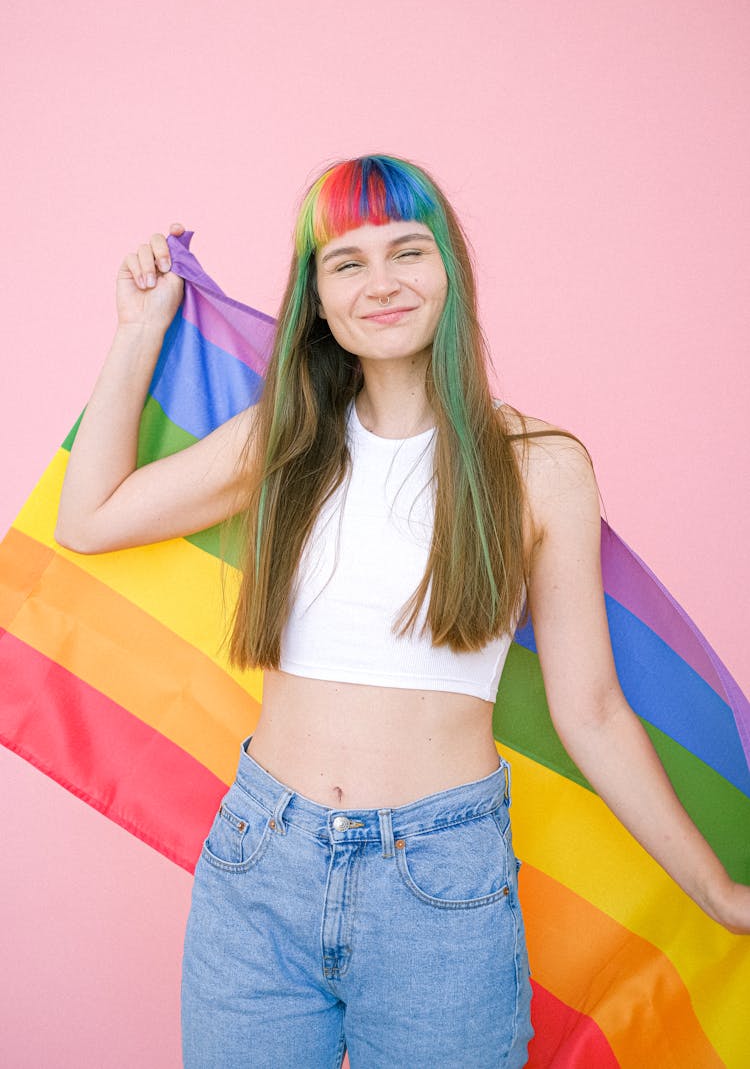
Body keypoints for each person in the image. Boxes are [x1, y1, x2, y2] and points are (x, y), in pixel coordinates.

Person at [54, 154, 750, 1068]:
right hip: (261, 866)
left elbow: (592, 709)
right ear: (318, 298)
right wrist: (139, 330)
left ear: (449, 272)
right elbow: (88, 518)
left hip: (442, 886)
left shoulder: (540, 466)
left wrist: (720, 891)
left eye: (407, 252)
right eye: (346, 262)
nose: (380, 282)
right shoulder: (284, 439)